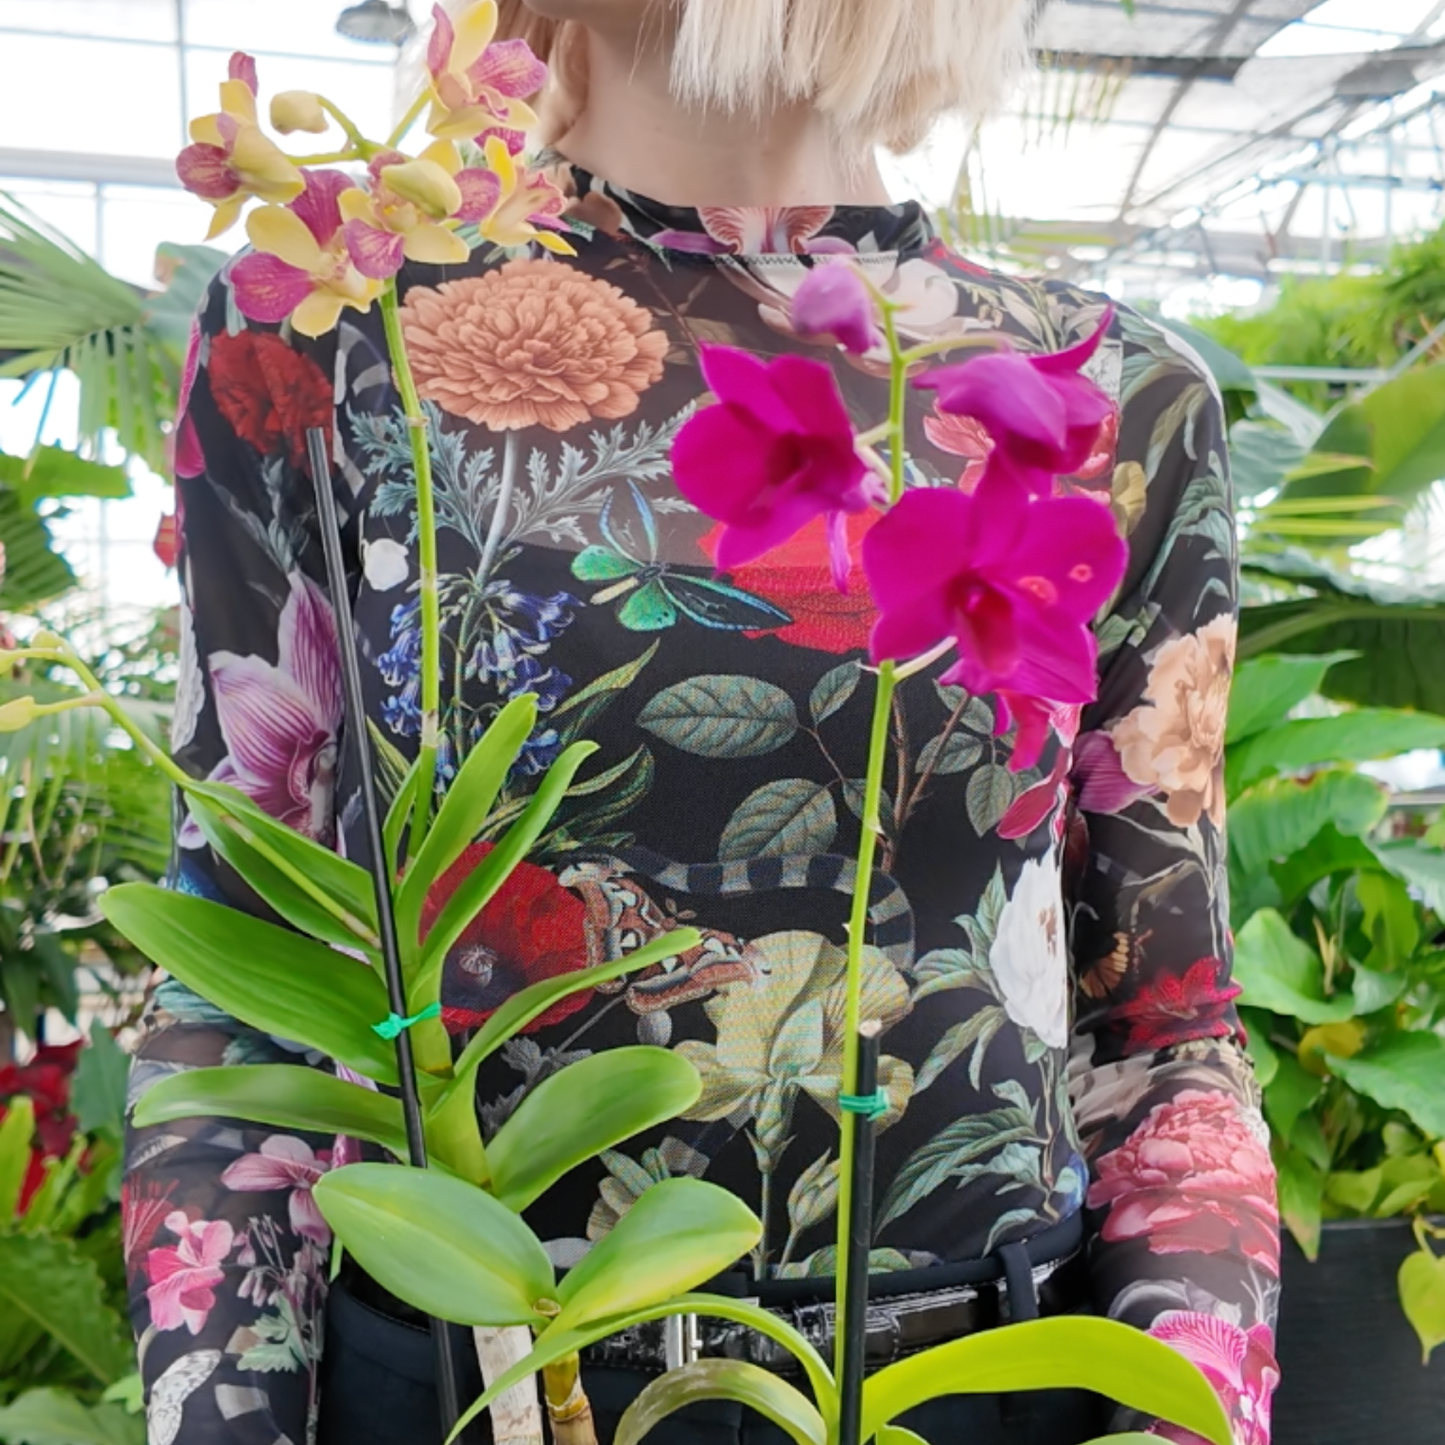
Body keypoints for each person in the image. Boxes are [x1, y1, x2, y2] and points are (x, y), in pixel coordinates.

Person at [123, 3, 1281, 1443]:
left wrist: (1182, 1416)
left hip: (970, 1380)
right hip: (463, 1384)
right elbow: (237, 985)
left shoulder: (1105, 395)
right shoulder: (334, 331)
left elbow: (1165, 1031)